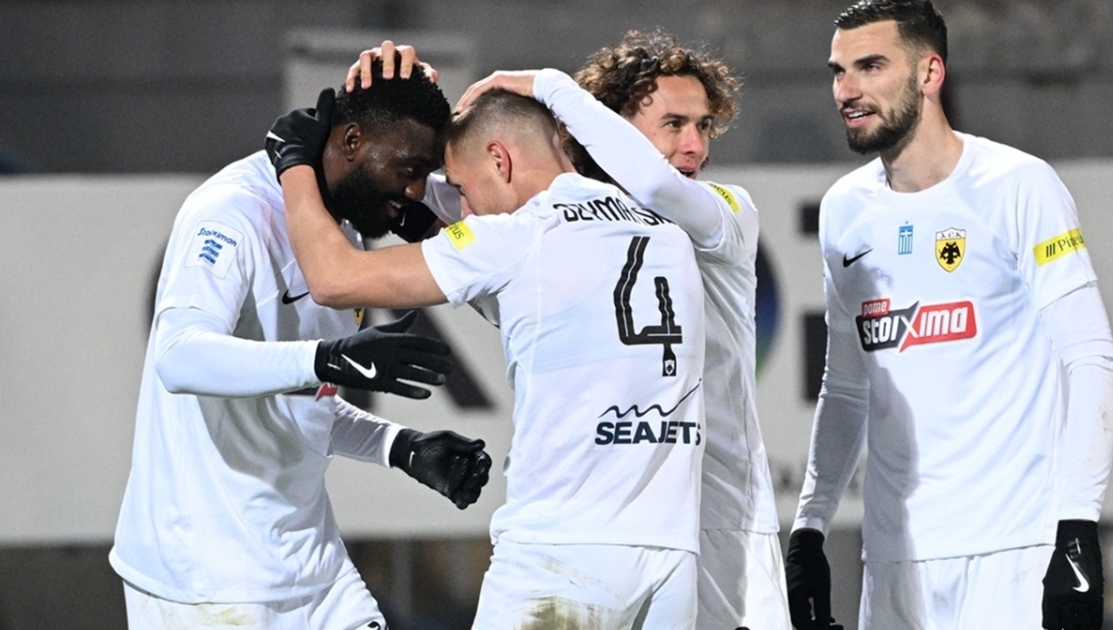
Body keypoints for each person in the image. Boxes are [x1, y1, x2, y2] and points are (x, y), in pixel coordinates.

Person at [357, 29, 789, 629]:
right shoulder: (569, 228)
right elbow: (459, 180)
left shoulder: (724, 211)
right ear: (603, 132)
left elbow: (652, 185)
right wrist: (404, 108)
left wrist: (550, 86)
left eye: (704, 126)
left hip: (723, 527)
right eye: (673, 125)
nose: (694, 145)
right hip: (633, 531)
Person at [273, 76, 709, 628]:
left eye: (460, 186)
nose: (465, 208)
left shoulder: (518, 236)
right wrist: (424, 228)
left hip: (562, 556)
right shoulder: (667, 231)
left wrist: (294, 164)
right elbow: (529, 300)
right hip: (672, 557)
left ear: (499, 160)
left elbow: (334, 279)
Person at [109, 63, 493, 630]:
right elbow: (178, 355)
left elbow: (300, 403)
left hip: (312, 565)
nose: (416, 191)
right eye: (410, 170)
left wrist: (401, 447)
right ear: (352, 141)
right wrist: (325, 359)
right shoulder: (232, 211)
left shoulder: (344, 226)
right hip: (204, 580)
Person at [785, 1, 1113, 629]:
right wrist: (810, 527)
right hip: (894, 563)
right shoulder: (844, 209)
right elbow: (847, 387)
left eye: (870, 66)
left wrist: (1077, 527)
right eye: (838, 71)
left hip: (1013, 555)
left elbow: (1091, 356)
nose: (847, 90)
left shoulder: (1019, 185)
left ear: (929, 73)